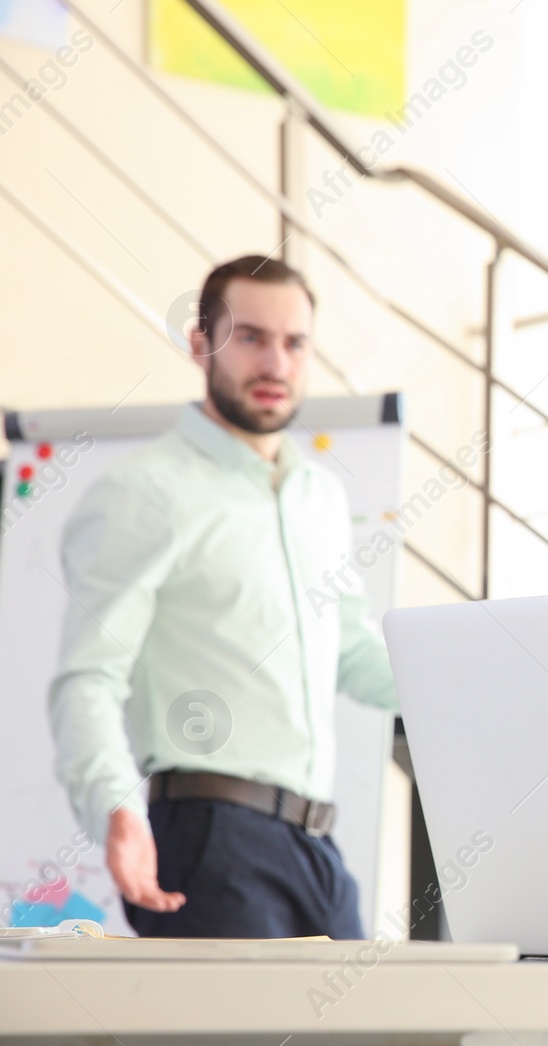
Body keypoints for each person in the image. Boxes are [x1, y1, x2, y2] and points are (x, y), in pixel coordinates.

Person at [49, 255, 399, 939]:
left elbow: (352, 650)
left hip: (317, 847)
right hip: (211, 840)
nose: (275, 362)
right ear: (201, 342)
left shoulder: (318, 497)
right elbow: (87, 678)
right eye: (250, 338)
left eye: (294, 343)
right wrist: (117, 808)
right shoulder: (144, 494)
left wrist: (471, 688)